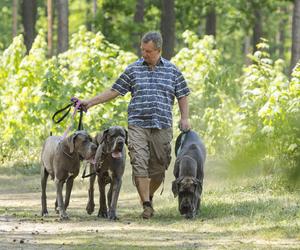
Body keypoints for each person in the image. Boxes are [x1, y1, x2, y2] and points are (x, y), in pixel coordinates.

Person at [81, 31, 191, 219]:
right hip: (137, 125)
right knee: (139, 163)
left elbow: (182, 93)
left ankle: (147, 195)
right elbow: (114, 90)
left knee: (159, 167)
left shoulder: (172, 71)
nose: (144, 54)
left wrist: (185, 117)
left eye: (148, 51)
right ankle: (147, 205)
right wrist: (90, 102)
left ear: (158, 50)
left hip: (162, 126)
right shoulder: (133, 70)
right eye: (142, 50)